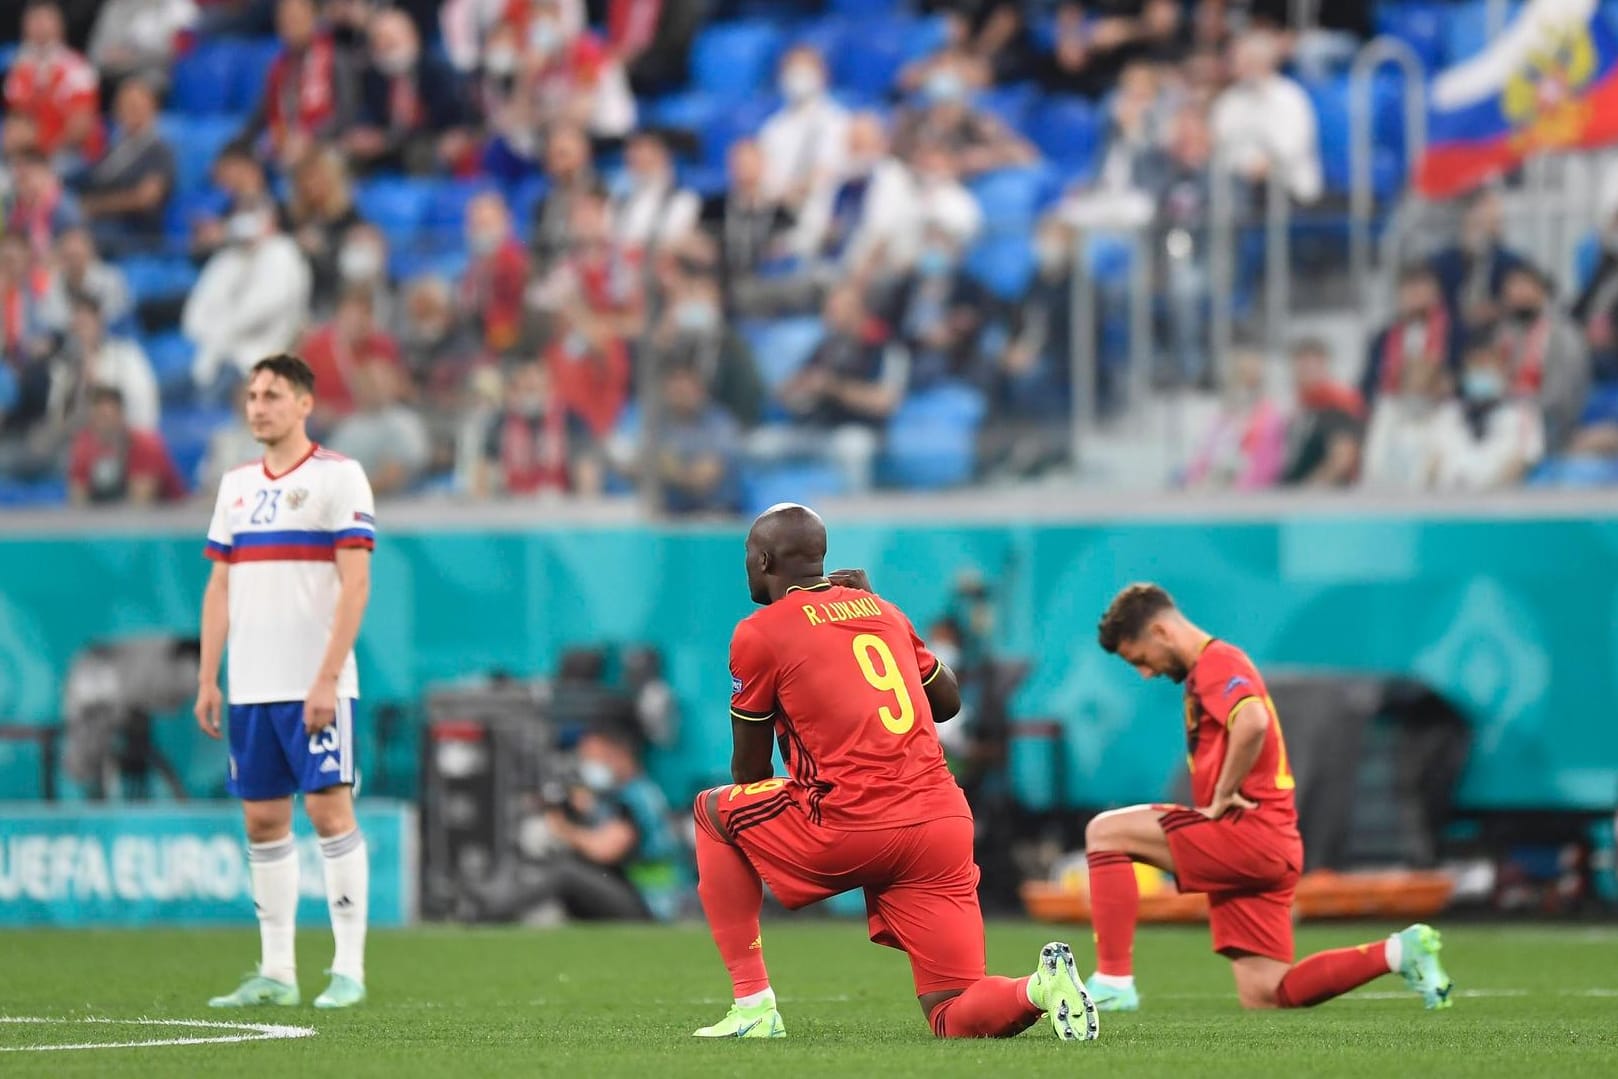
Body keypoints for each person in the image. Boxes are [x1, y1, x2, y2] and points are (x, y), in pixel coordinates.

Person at [690, 503, 1098, 1041]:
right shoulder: (881, 610)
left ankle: (753, 1007)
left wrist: (776, 824)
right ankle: (1038, 990)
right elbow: (947, 703)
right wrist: (876, 604)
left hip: (847, 822)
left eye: (747, 554)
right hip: (940, 823)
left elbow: (748, 769)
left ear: (763, 558)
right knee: (953, 1012)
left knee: (711, 812)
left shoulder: (758, 632)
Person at [1088, 583, 1455, 1012]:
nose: (1146, 673)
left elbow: (1253, 722)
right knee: (1267, 993)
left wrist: (1223, 792)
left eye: (1140, 659)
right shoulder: (1210, 669)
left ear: (1160, 631)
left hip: (1247, 835)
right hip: (1273, 847)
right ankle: (1398, 952)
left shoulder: (1216, 662)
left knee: (1105, 833)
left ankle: (1113, 982)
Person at [193, 353, 375, 1011]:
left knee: (329, 810)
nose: (258, 406)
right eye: (251, 395)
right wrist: (209, 675)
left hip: (316, 684)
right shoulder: (235, 484)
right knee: (264, 818)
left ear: (304, 403)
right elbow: (220, 585)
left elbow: (356, 583)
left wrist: (327, 678)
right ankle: (276, 971)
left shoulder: (339, 476)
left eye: (272, 394)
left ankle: (348, 969)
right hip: (251, 685)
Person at [66, 385, 184, 505]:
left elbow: (140, 504)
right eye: (97, 418)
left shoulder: (146, 446)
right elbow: (78, 503)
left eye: (107, 417)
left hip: (167, 517)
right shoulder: (83, 448)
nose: (103, 426)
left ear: (121, 416)